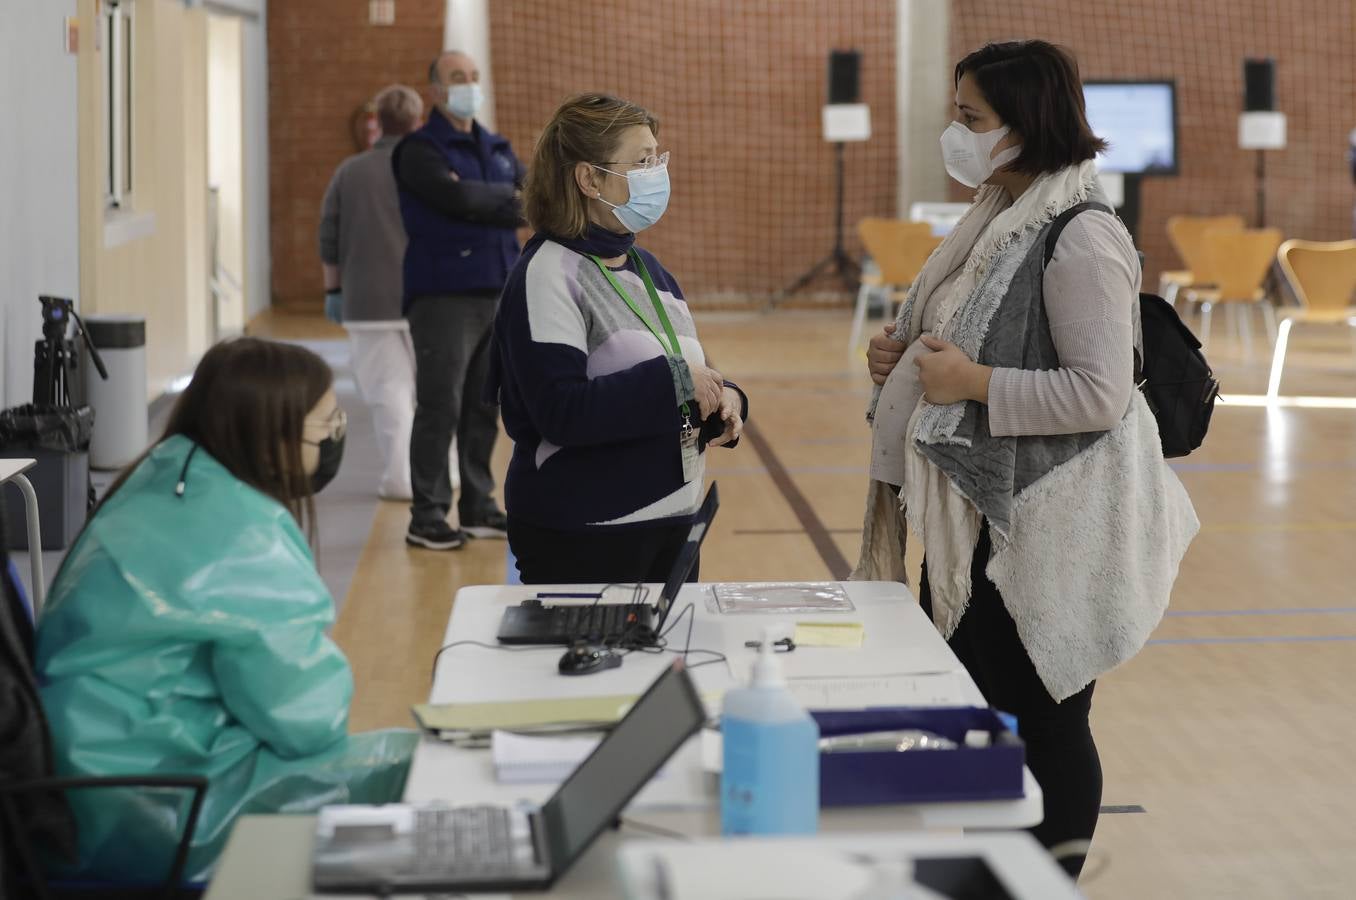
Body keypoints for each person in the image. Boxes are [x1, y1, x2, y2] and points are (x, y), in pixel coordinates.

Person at [853, 41, 1198, 877]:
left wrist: (967, 380)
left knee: (1045, 721)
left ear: (1025, 126)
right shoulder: (994, 218)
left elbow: (1098, 394)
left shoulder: (1080, 237)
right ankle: (994, 868)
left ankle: (1044, 881)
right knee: (987, 710)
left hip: (1042, 522)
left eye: (971, 118)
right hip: (981, 512)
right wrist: (901, 362)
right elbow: (959, 333)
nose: (956, 133)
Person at [35, 338, 417, 882]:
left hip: (89, 780)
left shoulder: (164, 475)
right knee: (411, 767)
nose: (338, 437)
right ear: (269, 440)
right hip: (154, 806)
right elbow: (309, 721)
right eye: (327, 425)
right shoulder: (242, 534)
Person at [487, 93, 749, 584]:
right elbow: (560, 411)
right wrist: (676, 382)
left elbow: (684, 372)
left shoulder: (649, 269)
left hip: (672, 528)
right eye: (642, 161)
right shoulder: (548, 273)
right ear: (589, 179)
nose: (657, 173)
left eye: (658, 158)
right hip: (586, 535)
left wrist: (725, 397)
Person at [394, 50, 523, 550]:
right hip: (443, 297)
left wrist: (482, 198)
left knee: (481, 405)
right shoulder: (419, 150)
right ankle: (426, 515)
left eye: (472, 76)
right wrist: (496, 198)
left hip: (498, 290)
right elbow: (456, 201)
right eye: (456, 78)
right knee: (439, 406)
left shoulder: (496, 146)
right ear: (435, 91)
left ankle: (477, 505)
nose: (468, 84)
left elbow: (526, 199)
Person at [320, 84, 458, 501]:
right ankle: (443, 474)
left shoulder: (350, 171)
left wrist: (334, 290)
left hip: (366, 302)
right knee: (437, 390)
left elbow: (328, 235)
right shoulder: (437, 165)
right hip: (430, 297)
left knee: (388, 393)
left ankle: (400, 479)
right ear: (418, 121)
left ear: (376, 122)